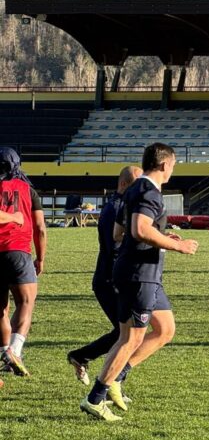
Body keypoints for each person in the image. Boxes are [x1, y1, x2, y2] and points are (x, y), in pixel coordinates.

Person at [79, 143, 199, 421]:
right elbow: (139, 229)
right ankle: (96, 398)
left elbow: (120, 232)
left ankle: (116, 378)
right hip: (139, 274)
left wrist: (164, 238)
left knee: (165, 329)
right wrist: (176, 245)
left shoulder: (133, 190)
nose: (173, 170)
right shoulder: (148, 192)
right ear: (165, 165)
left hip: (141, 272)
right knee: (131, 338)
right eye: (174, 166)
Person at [67, 165, 141, 385]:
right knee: (127, 334)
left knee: (128, 333)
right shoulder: (115, 209)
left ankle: (83, 359)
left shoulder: (123, 206)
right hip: (109, 279)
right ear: (124, 184)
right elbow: (114, 246)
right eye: (137, 185)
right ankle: (108, 381)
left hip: (114, 277)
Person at [0, 147, 46, 381]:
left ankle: (5, 355)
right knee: (26, 301)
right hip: (17, 250)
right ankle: (14, 351)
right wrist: (41, 257)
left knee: (2, 309)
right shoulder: (27, 189)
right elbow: (39, 228)